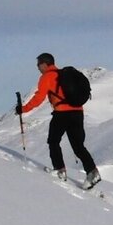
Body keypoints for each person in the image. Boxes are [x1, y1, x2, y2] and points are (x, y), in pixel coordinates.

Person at [17, 52, 101, 189]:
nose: (37, 67)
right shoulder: (64, 74)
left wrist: (23, 109)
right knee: (78, 146)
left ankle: (60, 170)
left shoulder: (47, 77)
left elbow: (39, 98)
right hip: (78, 112)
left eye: (38, 64)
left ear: (44, 64)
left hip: (62, 114)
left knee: (53, 141)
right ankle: (92, 173)